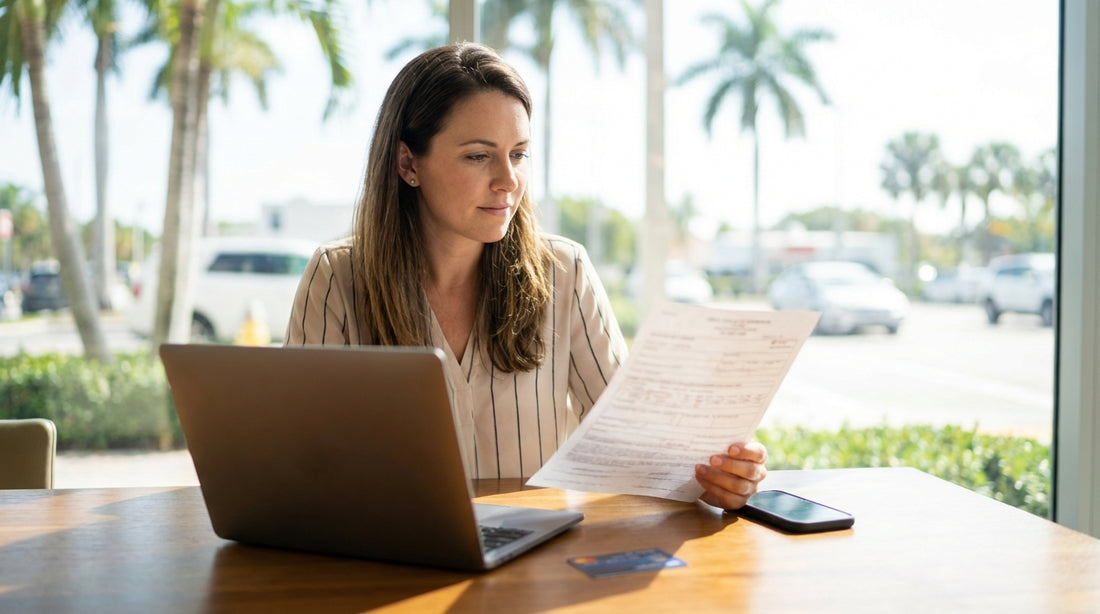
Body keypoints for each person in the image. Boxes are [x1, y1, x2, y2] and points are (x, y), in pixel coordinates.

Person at [285, 42, 766, 510]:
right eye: (479, 156)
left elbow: (637, 445)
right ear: (409, 163)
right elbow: (298, 464)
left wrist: (714, 477)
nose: (508, 180)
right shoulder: (336, 278)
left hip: (534, 569)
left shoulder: (565, 272)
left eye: (518, 154)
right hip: (388, 565)